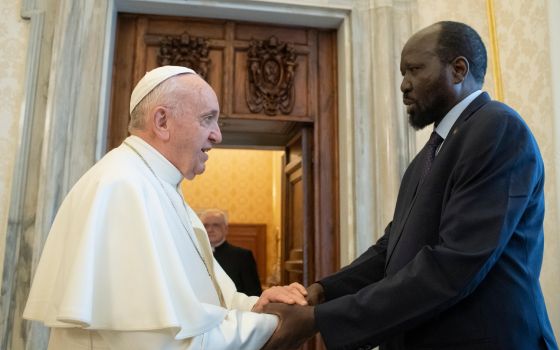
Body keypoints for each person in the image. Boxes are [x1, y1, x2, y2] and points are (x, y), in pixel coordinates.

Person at [262, 21, 559, 350]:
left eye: (415, 69)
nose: (404, 85)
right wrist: (322, 291)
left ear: (458, 69)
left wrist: (321, 319)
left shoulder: (497, 128)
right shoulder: (429, 155)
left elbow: (453, 265)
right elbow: (389, 250)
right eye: (403, 72)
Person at [23, 65, 308, 349]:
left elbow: (205, 300)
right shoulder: (122, 188)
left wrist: (256, 305)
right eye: (208, 119)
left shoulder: (160, 187)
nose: (217, 135)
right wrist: (277, 324)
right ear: (162, 121)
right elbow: (164, 341)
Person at [200, 209, 263, 296]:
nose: (210, 229)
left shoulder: (243, 256)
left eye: (216, 225)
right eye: (205, 226)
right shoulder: (195, 255)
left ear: (226, 229)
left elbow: (253, 293)